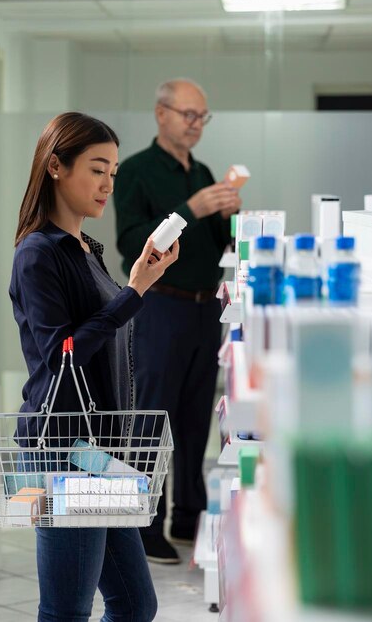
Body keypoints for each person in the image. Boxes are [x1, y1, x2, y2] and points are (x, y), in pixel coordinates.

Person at [11, 112, 179, 622]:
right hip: (62, 452)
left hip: (97, 455)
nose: (108, 184)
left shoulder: (87, 249)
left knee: (134, 605)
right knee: (66, 611)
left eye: (114, 172)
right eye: (97, 169)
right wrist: (134, 293)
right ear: (56, 167)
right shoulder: (39, 254)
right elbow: (64, 353)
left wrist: (136, 285)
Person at [113, 79, 241, 564]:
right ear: (161, 113)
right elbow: (131, 243)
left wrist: (228, 211)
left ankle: (189, 516)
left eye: (202, 117)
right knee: (152, 417)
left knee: (193, 419)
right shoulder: (137, 172)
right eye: (188, 114)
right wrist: (192, 209)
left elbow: (217, 245)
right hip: (160, 306)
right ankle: (144, 528)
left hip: (206, 307)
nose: (195, 124)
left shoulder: (203, 170)